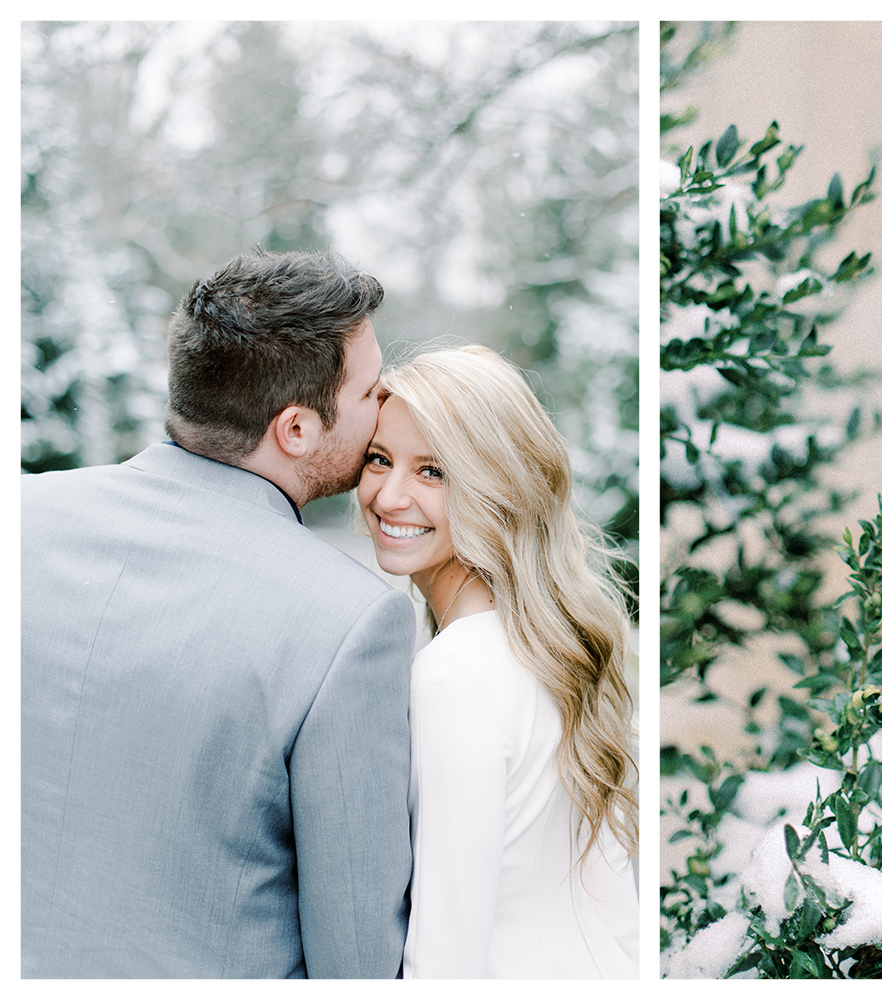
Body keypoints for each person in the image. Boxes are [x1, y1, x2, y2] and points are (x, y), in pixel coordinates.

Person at [21, 248, 416, 978]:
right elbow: (357, 962)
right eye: (371, 393)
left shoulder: (21, 518)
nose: (386, 407)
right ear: (296, 429)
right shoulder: (350, 623)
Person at [357, 346, 639, 978]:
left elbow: (446, 959)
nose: (389, 495)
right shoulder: (554, 646)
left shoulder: (455, 674)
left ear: (496, 487)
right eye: (380, 459)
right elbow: (621, 912)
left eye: (433, 471)